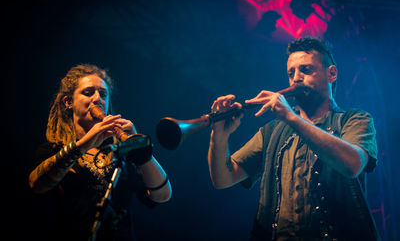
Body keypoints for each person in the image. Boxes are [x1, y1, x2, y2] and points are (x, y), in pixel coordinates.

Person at [207, 37, 380, 240]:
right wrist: (219, 135)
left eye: (306, 70)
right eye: (291, 73)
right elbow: (222, 179)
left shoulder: (356, 120)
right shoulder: (271, 132)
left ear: (331, 73)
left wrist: (290, 117)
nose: (296, 78)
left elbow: (352, 164)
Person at [28, 64, 172, 241]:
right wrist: (81, 146)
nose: (98, 99)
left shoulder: (121, 155)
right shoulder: (53, 150)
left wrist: (140, 150)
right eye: (88, 92)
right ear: (68, 102)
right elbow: (36, 184)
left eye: (103, 94)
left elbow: (162, 195)